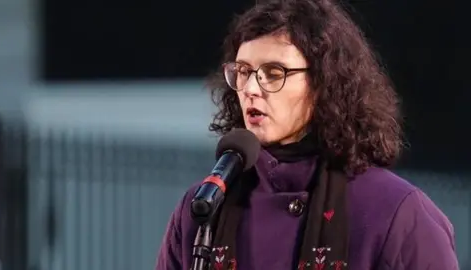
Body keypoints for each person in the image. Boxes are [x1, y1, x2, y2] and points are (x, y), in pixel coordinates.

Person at [156, 0, 459, 269]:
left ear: (323, 83)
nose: (250, 88)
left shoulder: (394, 213)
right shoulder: (202, 209)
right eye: (244, 71)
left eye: (273, 73)